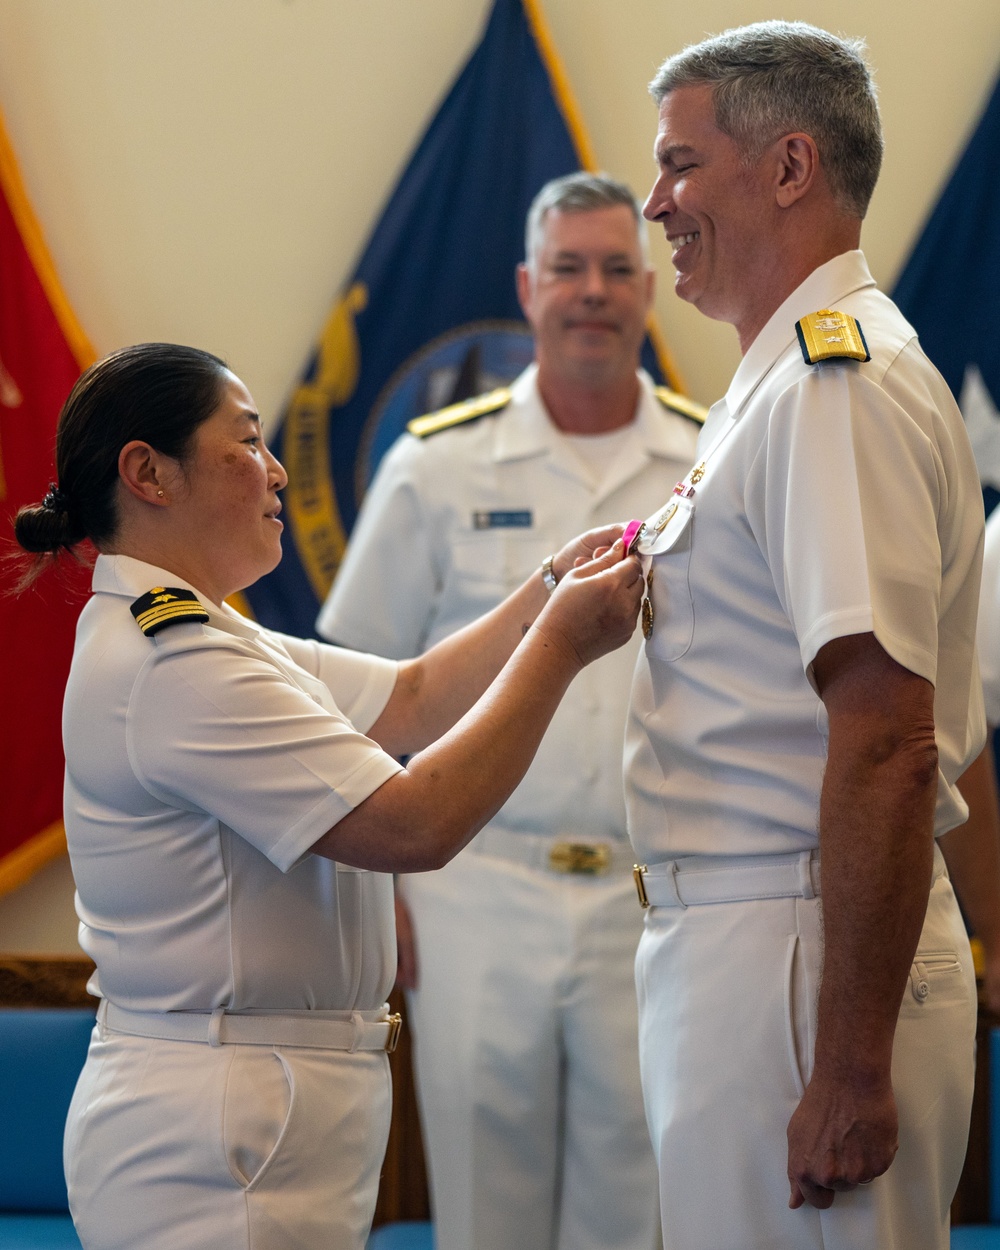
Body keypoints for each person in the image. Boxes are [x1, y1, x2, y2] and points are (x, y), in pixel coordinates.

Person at [12, 342, 644, 1250]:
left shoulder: (208, 632)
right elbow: (417, 821)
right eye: (248, 442)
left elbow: (415, 696)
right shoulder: (172, 659)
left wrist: (550, 587)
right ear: (148, 473)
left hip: (262, 1113)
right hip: (214, 1130)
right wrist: (566, 646)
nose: (274, 471)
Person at [627, 22, 986, 1250]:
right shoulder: (773, 386)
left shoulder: (837, 386)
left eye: (679, 164)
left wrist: (845, 1063)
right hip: (758, 943)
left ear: (789, 168)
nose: (652, 201)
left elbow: (888, 737)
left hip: (798, 950)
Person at [318, 172, 704, 1250]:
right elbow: (355, 686)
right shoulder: (436, 466)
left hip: (651, 895)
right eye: (569, 269)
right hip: (474, 893)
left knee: (636, 1212)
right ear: (527, 288)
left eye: (617, 268)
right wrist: (369, 886)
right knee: (485, 1214)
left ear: (647, 290)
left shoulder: (709, 460)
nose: (593, 292)